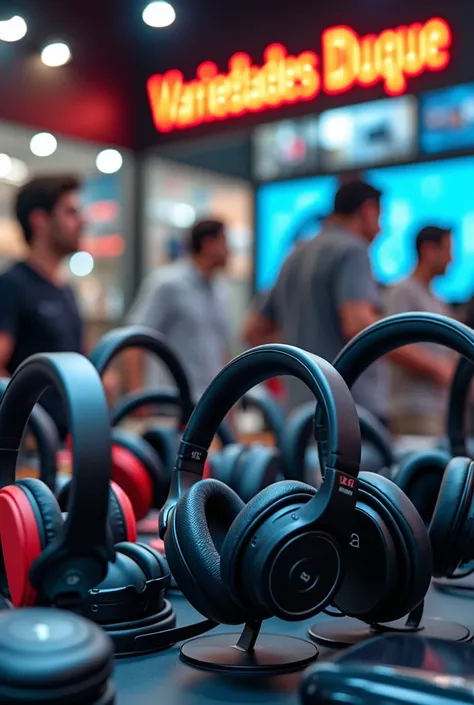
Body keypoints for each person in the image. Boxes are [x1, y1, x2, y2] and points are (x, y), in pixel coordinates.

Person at [243, 180, 452, 425]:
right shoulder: (353, 249)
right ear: (367, 211)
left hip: (299, 414)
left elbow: (253, 330)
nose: (381, 229)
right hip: (348, 412)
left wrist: (303, 358)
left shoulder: (295, 255)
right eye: (380, 217)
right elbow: (358, 325)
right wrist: (437, 366)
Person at [0, 176, 84, 439]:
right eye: (71, 212)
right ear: (40, 220)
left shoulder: (66, 290)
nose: (83, 221)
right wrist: (32, 430)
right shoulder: (11, 285)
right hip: (30, 451)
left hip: (68, 443)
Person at [125, 219, 230, 401]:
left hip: (211, 407)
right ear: (208, 244)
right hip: (173, 405)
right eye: (224, 242)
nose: (229, 251)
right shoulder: (167, 284)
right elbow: (135, 340)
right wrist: (137, 396)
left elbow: (222, 352)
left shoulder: (220, 293)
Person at [385, 226, 456, 436]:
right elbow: (391, 342)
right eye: (448, 251)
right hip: (411, 407)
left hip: (439, 409)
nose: (452, 259)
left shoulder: (439, 302)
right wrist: (438, 368)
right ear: (428, 250)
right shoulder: (402, 290)